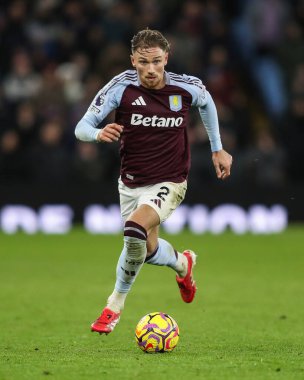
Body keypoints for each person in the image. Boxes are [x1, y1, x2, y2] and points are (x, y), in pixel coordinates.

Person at [75, 29, 232, 334]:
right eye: (143, 62)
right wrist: (98, 133)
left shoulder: (185, 87)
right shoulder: (121, 87)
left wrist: (217, 148)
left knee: (133, 229)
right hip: (131, 183)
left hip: (171, 181)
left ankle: (113, 306)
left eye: (157, 62)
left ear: (166, 59)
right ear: (133, 60)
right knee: (145, 249)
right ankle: (183, 265)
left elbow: (207, 103)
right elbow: (82, 126)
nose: (150, 69)